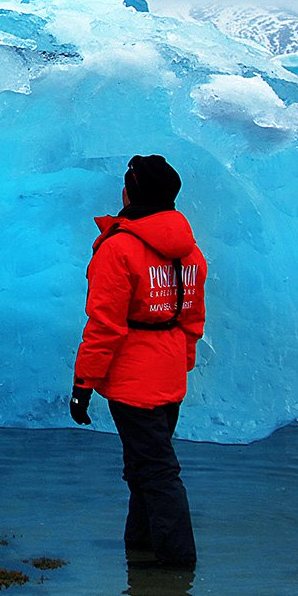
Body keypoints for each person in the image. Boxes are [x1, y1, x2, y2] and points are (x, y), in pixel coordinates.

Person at [68, 154, 207, 570]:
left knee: (158, 473)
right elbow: (192, 320)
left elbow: (104, 326)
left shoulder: (120, 248)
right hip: (167, 375)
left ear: (131, 192)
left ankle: (178, 572)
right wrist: (179, 364)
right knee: (144, 469)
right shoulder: (190, 252)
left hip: (132, 380)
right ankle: (142, 561)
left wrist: (82, 386)